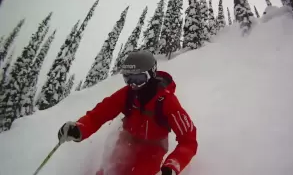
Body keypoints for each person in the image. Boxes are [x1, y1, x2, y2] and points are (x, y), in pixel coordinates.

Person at [58, 50, 198, 175]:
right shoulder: (128, 94)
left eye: (138, 79)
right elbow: (99, 115)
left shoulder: (167, 101)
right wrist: (79, 128)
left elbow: (188, 140)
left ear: (151, 75)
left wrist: (172, 165)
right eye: (128, 79)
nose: (133, 85)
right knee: (108, 172)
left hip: (152, 150)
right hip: (126, 142)